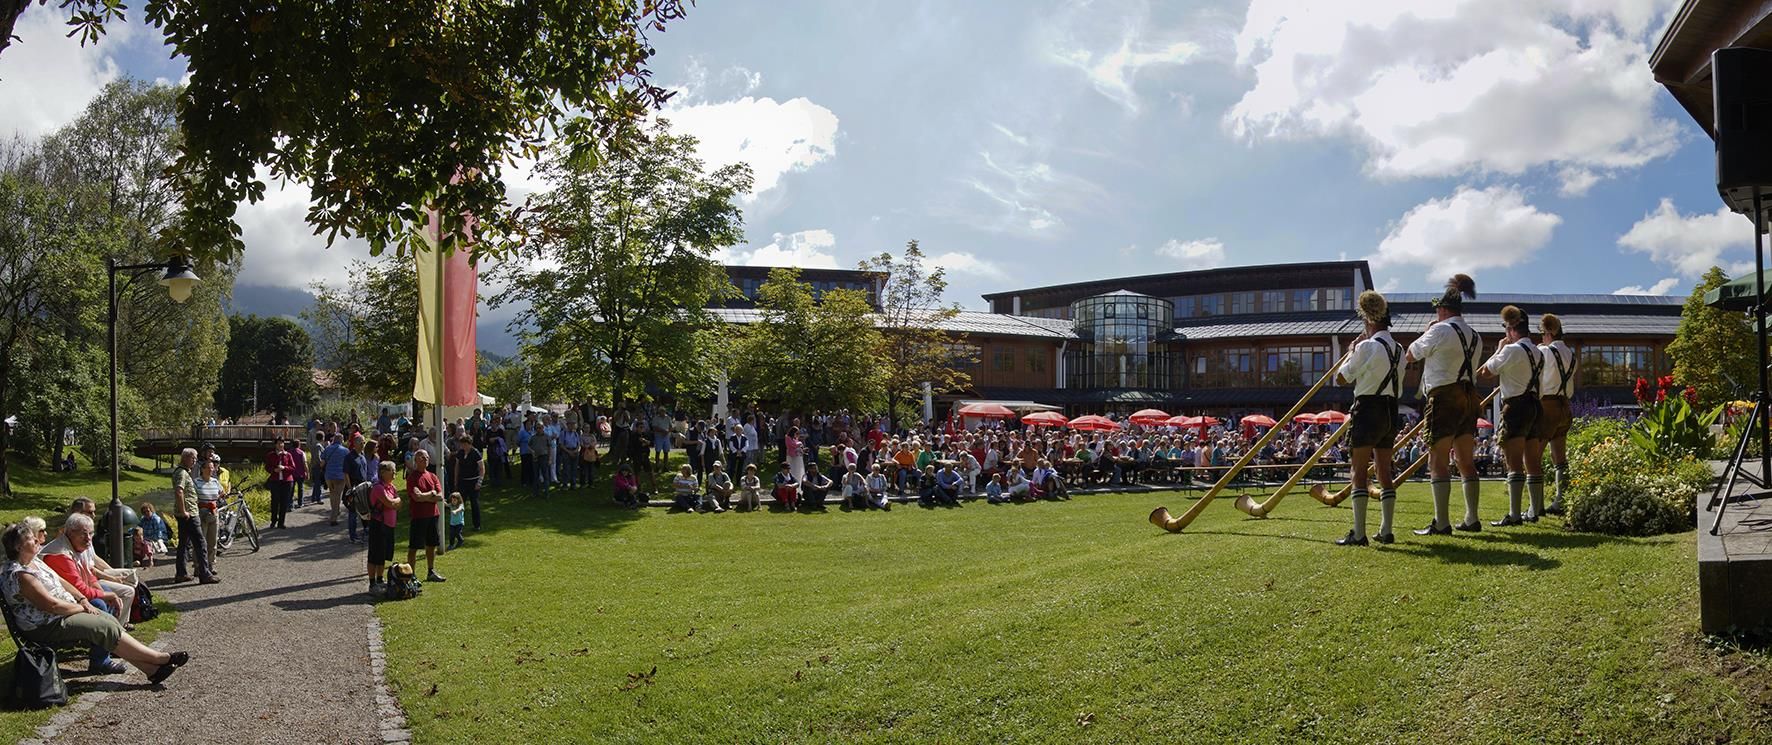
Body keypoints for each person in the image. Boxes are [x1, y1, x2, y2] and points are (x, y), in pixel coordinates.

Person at [1, 523, 188, 683]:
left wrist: (82, 598)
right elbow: (51, 606)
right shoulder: (20, 574)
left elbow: (61, 581)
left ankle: (152, 671)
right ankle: (158, 658)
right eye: (31, 539)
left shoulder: (34, 561)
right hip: (45, 624)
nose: (36, 540)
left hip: (61, 613)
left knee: (107, 620)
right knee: (101, 626)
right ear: (18, 547)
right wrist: (82, 607)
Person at [1407, 273, 1483, 536]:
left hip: (1444, 397)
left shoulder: (1438, 330)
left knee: (1437, 460)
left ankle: (1441, 522)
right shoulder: (1476, 336)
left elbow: (1411, 354)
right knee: (1466, 460)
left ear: (1441, 309)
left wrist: (1429, 330)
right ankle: (1472, 518)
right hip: (1470, 397)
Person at [1334, 290, 1405, 546]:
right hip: (1390, 409)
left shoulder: (1366, 346)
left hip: (1367, 408)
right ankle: (1386, 531)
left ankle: (1359, 533)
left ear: (1370, 321)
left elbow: (1342, 378)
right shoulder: (1399, 349)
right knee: (1385, 471)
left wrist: (1352, 351)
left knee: (1358, 472)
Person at [1479, 305, 1544, 528]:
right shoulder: (1538, 351)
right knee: (1533, 461)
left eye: (1506, 327)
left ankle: (1514, 514)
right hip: (1535, 405)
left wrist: (1499, 349)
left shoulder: (1511, 350)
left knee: (1513, 461)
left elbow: (1485, 373)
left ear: (1512, 328)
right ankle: (1534, 511)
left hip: (1515, 405)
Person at [40, 514, 133, 633]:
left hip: (77, 591)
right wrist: (107, 595)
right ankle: (107, 639)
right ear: (70, 533)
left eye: (91, 533)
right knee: (99, 604)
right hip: (63, 597)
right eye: (84, 534)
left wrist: (103, 592)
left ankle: (116, 633)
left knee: (111, 590)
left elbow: (89, 575)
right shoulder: (61, 554)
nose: (89, 538)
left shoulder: (78, 545)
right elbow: (79, 589)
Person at [171, 448, 216, 584]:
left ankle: (181, 573)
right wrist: (184, 511)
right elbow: (179, 491)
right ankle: (205, 574)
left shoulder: (183, 472)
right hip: (189, 514)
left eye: (196, 458)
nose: (195, 461)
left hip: (186, 513)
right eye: (193, 458)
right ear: (185, 458)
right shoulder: (182, 473)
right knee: (200, 543)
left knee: (184, 544)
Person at [404, 450, 447, 583]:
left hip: (433, 515)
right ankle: (410, 575)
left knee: (432, 544)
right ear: (416, 460)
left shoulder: (433, 476)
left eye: (427, 457)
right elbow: (416, 497)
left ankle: (431, 571)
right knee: (414, 547)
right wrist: (431, 494)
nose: (426, 459)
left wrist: (426, 496)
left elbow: (440, 496)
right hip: (418, 516)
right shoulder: (412, 477)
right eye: (422, 457)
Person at [366, 461, 402, 594]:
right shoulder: (378, 488)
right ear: (382, 473)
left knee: (383, 554)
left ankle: (380, 580)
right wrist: (394, 501)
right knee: (375, 554)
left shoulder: (391, 487)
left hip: (389, 525)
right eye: (391, 470)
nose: (394, 473)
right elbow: (390, 502)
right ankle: (372, 583)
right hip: (378, 525)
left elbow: (399, 503)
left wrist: (395, 502)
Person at [448, 435, 483, 531]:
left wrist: (479, 482)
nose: (462, 446)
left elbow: (481, 468)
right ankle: (458, 524)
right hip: (462, 481)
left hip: (473, 482)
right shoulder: (460, 452)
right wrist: (455, 481)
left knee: (474, 503)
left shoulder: (475, 453)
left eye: (464, 444)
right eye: (461, 444)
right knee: (459, 504)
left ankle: (477, 525)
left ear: (469, 444)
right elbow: (457, 467)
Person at [195, 457, 224, 573]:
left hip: (213, 513)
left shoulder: (215, 481)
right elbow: (192, 498)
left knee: (212, 541)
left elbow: (221, 493)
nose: (211, 470)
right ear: (202, 469)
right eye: (208, 468)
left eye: (212, 468)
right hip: (201, 513)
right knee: (200, 541)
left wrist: (220, 497)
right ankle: (198, 566)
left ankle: (211, 564)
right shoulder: (196, 482)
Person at [321, 433, 350, 527]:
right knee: (338, 495)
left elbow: (322, 462)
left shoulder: (327, 449)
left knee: (332, 493)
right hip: (340, 476)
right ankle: (333, 518)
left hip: (329, 475)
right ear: (341, 440)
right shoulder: (346, 451)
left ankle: (335, 511)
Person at [264, 437, 293, 529]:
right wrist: (274, 470)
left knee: (284, 502)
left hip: (286, 481)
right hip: (275, 481)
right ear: (275, 444)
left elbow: (293, 468)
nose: (280, 445)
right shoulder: (271, 455)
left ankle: (281, 522)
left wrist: (284, 468)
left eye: (282, 443)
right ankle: (273, 520)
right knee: (275, 501)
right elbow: (267, 467)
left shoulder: (288, 455)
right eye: (279, 443)